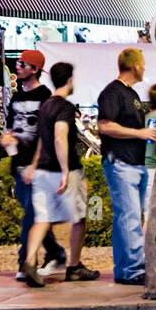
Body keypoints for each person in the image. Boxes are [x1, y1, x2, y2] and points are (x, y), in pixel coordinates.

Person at [19, 62, 99, 286]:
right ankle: (74, 266)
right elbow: (58, 136)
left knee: (42, 219)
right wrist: (65, 170)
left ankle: (30, 260)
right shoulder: (64, 107)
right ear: (70, 80)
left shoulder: (45, 106)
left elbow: (42, 139)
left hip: (43, 170)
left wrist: (35, 165)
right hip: (64, 170)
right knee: (80, 217)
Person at [2, 49, 67, 281]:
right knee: (35, 212)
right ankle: (56, 253)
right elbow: (11, 126)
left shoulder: (45, 97)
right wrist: (8, 139)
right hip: (19, 162)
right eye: (17, 63)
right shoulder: (16, 98)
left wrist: (37, 162)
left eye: (22, 63)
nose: (17, 66)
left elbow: (46, 133)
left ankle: (26, 262)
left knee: (31, 214)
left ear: (35, 69)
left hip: (36, 165)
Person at [97, 47, 156, 286]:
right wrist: (139, 133)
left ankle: (128, 267)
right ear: (136, 66)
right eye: (143, 64)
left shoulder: (130, 94)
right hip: (120, 162)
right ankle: (131, 270)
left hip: (134, 163)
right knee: (129, 216)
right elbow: (105, 126)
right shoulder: (112, 92)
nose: (145, 68)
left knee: (129, 216)